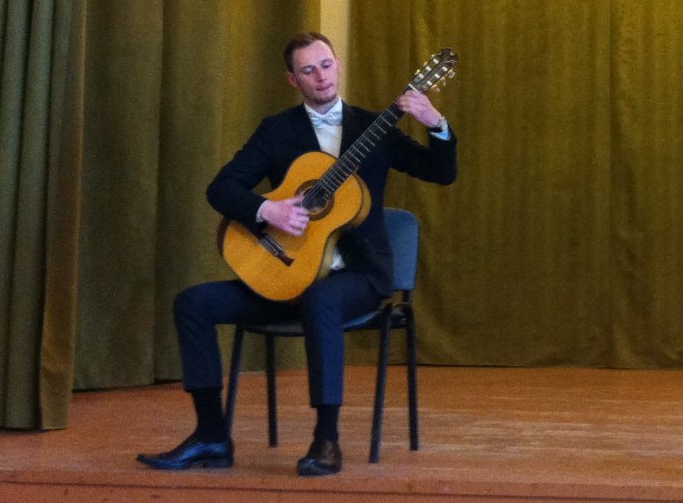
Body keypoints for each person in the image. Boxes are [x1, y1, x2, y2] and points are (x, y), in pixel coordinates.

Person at [138, 31, 456, 476]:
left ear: (337, 63)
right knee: (193, 303)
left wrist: (435, 123)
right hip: (286, 274)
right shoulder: (277, 130)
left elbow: (441, 172)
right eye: (308, 70)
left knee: (320, 299)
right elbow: (221, 188)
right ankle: (211, 436)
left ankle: (326, 440)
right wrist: (267, 210)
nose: (320, 76)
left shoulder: (375, 128)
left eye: (325, 65)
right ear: (293, 79)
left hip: (357, 276)